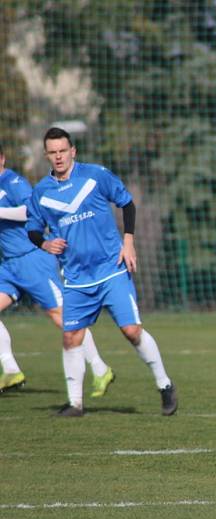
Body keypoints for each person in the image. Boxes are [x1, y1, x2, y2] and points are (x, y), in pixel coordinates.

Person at [25, 127, 177, 417]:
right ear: (47, 155)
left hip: (111, 269)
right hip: (76, 278)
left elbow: (127, 203)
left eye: (62, 151)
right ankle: (75, 404)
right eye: (52, 152)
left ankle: (165, 385)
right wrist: (44, 243)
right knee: (71, 337)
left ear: (73, 151)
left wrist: (129, 242)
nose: (58, 157)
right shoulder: (42, 192)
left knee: (131, 331)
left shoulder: (95, 175)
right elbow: (32, 228)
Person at [0, 144, 114, 397]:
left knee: (63, 317)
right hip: (9, 265)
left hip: (33, 260)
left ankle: (99, 368)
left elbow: (28, 213)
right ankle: (10, 369)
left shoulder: (12, 181)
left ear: (2, 159)